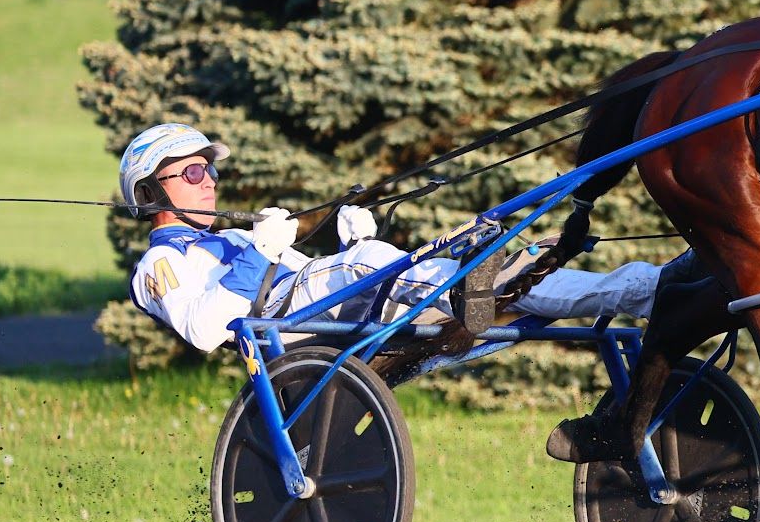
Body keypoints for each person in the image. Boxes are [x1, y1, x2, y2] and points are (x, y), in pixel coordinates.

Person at [119, 122, 661, 355]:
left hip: (320, 309)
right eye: (192, 174)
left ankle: (645, 290)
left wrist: (349, 241)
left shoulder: (228, 240)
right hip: (288, 335)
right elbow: (204, 327)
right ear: (150, 193)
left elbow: (303, 275)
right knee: (375, 264)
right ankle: (466, 293)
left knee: (509, 273)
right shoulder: (157, 268)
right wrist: (262, 252)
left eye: (210, 171)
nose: (209, 181)